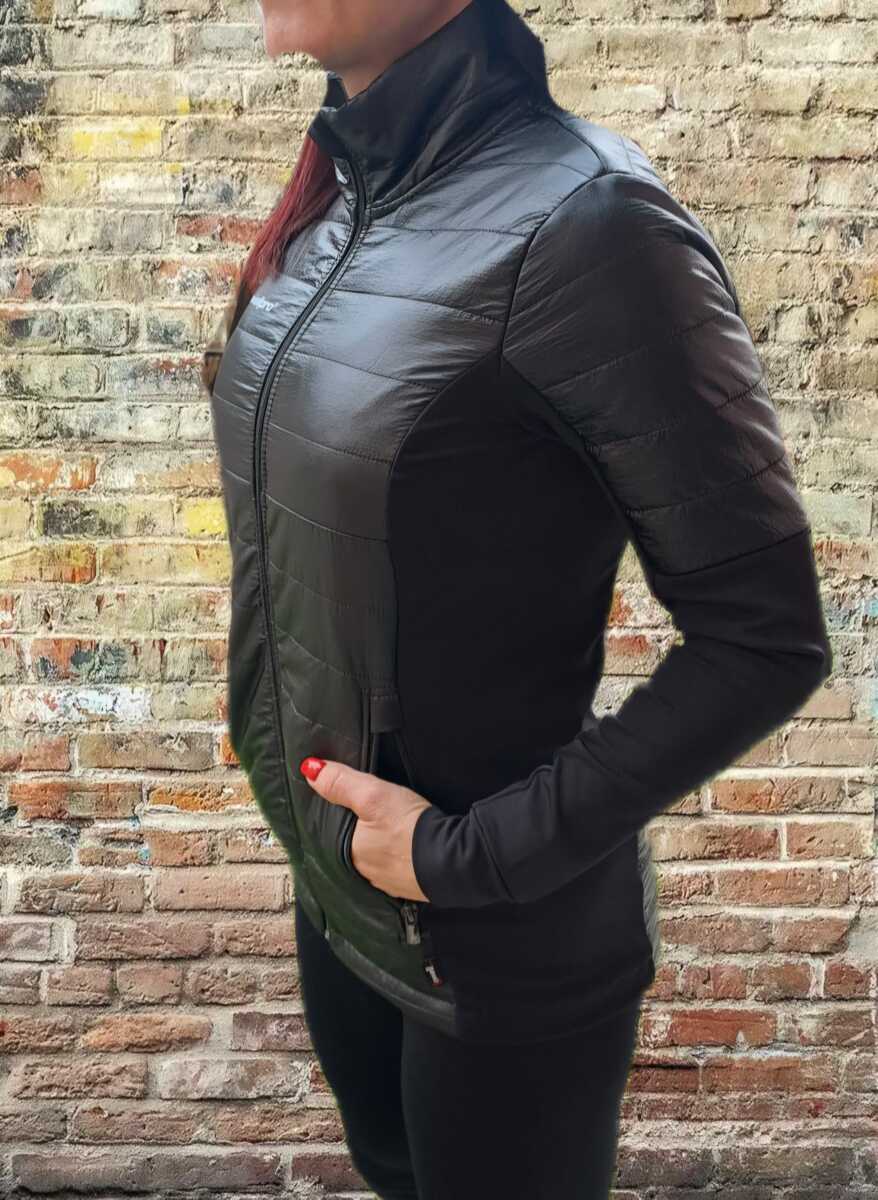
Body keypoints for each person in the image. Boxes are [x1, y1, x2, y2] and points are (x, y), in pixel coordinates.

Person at [202, 1, 833, 1196]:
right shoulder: (345, 195)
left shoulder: (589, 222)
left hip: (494, 943)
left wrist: (463, 857)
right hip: (344, 903)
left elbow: (764, 639)